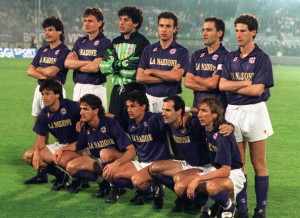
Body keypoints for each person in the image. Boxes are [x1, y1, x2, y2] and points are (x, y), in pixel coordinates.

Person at [219, 14, 274, 218]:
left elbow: (257, 91)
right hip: (232, 112)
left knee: (258, 163)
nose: (239, 35)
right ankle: (241, 207)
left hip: (256, 111)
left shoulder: (262, 57)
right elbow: (222, 85)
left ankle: (261, 209)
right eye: (237, 30)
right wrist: (244, 84)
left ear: (253, 32)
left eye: (243, 31)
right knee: (238, 164)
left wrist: (236, 87)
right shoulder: (230, 57)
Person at [148, 96, 233, 212]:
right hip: (187, 164)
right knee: (154, 169)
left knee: (179, 182)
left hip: (204, 166)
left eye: (167, 110)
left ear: (179, 112)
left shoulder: (194, 123)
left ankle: (212, 205)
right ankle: (186, 199)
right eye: (163, 109)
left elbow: (212, 119)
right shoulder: (168, 120)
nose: (163, 113)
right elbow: (149, 117)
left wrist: (230, 126)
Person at [174, 97, 245, 218]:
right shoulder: (206, 127)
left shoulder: (222, 135)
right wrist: (185, 114)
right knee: (179, 186)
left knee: (211, 186)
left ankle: (230, 207)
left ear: (214, 115)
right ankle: (213, 206)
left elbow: (225, 170)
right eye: (199, 111)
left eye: (204, 111)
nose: (199, 115)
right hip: (215, 170)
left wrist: (198, 179)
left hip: (232, 173)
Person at [53, 94, 136, 197]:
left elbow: (132, 150)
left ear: (95, 111)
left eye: (85, 109)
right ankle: (103, 182)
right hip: (100, 161)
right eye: (81, 109)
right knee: (70, 167)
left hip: (119, 162)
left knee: (104, 153)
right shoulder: (86, 125)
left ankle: (116, 187)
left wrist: (117, 163)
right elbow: (79, 145)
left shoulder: (110, 123)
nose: (81, 112)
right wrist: (62, 149)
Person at [105, 90, 172, 207]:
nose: (129, 109)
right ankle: (147, 187)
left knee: (137, 180)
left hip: (158, 165)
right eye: (127, 107)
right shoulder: (129, 123)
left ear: (143, 106)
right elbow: (110, 116)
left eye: (132, 106)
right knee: (110, 174)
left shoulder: (154, 119)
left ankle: (156, 190)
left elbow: (173, 118)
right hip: (141, 163)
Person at [23, 79, 81, 191]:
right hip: (61, 145)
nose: (44, 97)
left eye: (48, 94)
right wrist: (36, 152)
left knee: (61, 160)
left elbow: (93, 114)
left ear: (57, 94)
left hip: (78, 146)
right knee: (28, 156)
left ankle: (78, 179)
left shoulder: (72, 106)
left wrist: (82, 120)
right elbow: (40, 140)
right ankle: (61, 175)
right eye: (42, 94)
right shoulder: (44, 114)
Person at [100, 6, 150, 120]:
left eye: (126, 20)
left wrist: (113, 65)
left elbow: (133, 73)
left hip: (135, 91)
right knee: (114, 126)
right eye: (120, 19)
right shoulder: (115, 41)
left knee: (133, 127)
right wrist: (121, 64)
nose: (121, 23)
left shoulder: (143, 43)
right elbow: (103, 68)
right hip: (116, 90)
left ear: (136, 23)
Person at [136, 11, 189, 112]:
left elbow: (177, 76)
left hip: (171, 101)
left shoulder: (182, 51)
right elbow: (139, 77)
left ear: (175, 29)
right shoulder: (148, 49)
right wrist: (168, 76)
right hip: (148, 100)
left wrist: (152, 71)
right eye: (161, 26)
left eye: (168, 26)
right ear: (157, 27)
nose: (164, 29)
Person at [65, 7, 111, 110]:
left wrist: (77, 64)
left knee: (97, 122)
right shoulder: (80, 41)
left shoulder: (105, 42)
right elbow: (67, 63)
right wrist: (89, 63)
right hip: (78, 87)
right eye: (85, 20)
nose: (86, 24)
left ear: (100, 23)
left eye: (90, 21)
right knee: (78, 120)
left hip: (96, 88)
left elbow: (95, 68)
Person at [27, 16, 69, 122]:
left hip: (55, 91)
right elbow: (29, 71)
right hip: (39, 89)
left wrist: (39, 68)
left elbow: (52, 71)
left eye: (50, 30)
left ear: (60, 31)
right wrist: (45, 76)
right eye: (45, 30)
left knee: (58, 126)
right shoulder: (42, 50)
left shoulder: (64, 51)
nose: (46, 33)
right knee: (39, 124)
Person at [184, 17, 229, 111]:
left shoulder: (226, 56)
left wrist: (196, 78)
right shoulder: (197, 55)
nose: (204, 33)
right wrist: (208, 86)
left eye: (208, 30)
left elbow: (213, 83)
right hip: (198, 110)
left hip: (217, 113)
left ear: (219, 33)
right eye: (203, 30)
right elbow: (187, 82)